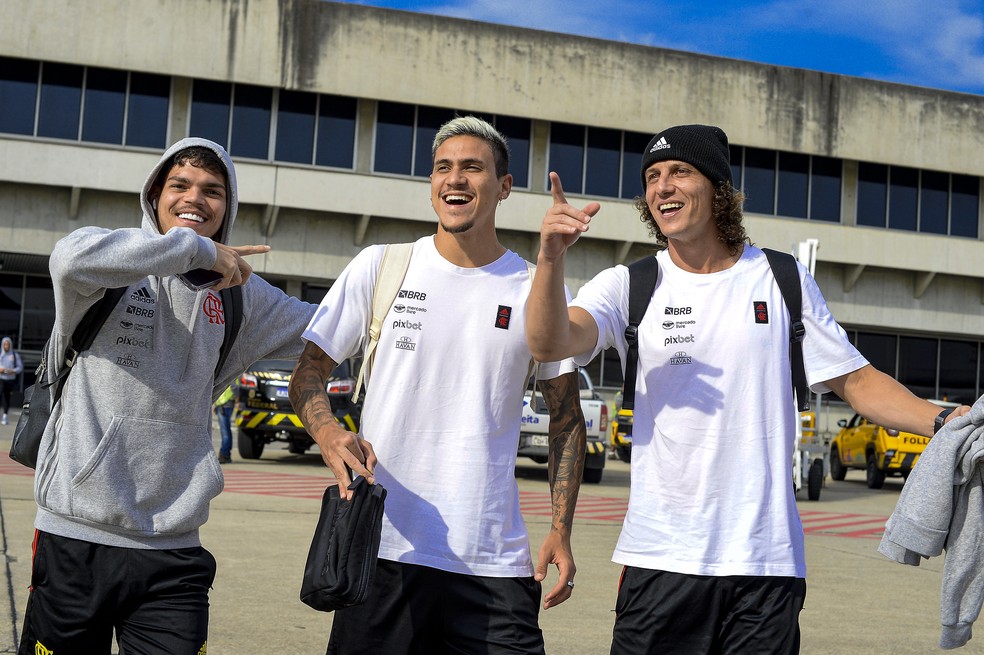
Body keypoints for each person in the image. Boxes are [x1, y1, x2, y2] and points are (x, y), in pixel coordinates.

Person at [525, 124, 972, 655]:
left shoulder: (782, 280)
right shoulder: (628, 286)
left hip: (766, 565)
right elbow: (550, 342)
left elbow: (855, 381)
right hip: (662, 562)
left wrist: (945, 420)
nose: (662, 186)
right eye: (652, 177)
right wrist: (551, 259)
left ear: (717, 187)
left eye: (679, 172)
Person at [289, 115, 588, 655]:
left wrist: (561, 529)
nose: (455, 179)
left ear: (503, 187)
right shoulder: (381, 267)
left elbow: (566, 419)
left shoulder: (531, 286)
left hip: (494, 562)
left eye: (473, 167)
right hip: (381, 552)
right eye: (442, 168)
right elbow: (309, 371)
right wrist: (330, 433)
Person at [18, 138, 317, 655]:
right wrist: (194, 248)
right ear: (154, 195)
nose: (195, 198)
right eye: (179, 185)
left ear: (228, 207)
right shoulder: (108, 264)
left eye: (212, 191)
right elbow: (67, 261)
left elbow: (334, 329)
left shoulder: (241, 295)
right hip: (76, 534)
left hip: (174, 550)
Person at [0, 336, 23, 425]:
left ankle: (5, 416)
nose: (6, 346)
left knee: (7, 398)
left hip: (10, 380)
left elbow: (20, 367)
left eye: (8, 344)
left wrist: (13, 371)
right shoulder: (1, 355)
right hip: (1, 379)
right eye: (5, 344)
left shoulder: (14, 355)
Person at [214, 385, 236, 463]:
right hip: (223, 403)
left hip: (224, 403)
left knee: (225, 431)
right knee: (226, 430)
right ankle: (226, 453)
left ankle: (224, 453)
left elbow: (234, 387)